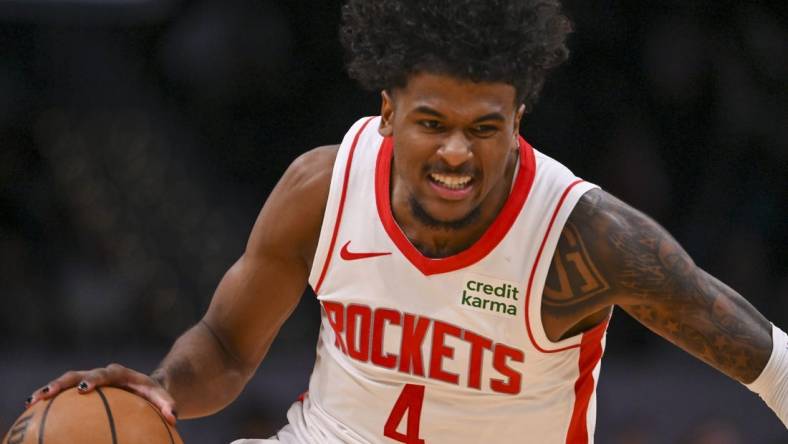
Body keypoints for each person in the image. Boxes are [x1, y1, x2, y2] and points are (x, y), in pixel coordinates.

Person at [26, 1, 787, 442]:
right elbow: (226, 345)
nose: (456, 152)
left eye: (485, 128)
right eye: (431, 122)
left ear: (519, 117)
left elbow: (768, 362)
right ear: (387, 111)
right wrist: (162, 389)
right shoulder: (323, 187)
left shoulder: (584, 236)